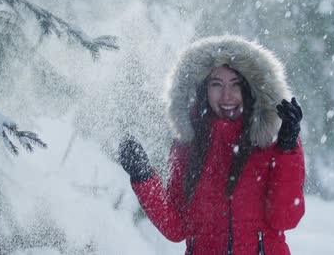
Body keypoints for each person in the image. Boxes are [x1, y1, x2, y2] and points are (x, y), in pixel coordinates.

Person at [119, 36, 305, 254]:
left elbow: (285, 218)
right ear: (202, 90)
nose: (227, 96)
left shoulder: (273, 142)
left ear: (250, 89)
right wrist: (144, 177)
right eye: (216, 84)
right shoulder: (187, 146)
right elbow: (177, 227)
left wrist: (287, 147)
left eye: (236, 85)